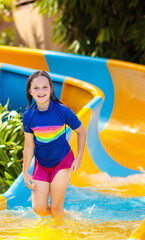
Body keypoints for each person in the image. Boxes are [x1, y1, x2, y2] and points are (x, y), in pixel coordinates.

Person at [22, 70, 87, 220]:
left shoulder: (62, 111)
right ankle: (66, 216)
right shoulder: (28, 116)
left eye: (45, 87)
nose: (41, 91)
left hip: (62, 161)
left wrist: (79, 158)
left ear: (51, 89)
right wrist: (25, 172)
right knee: (39, 208)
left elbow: (81, 132)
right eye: (36, 88)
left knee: (56, 208)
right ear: (30, 91)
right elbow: (28, 146)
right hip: (42, 164)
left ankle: (60, 225)